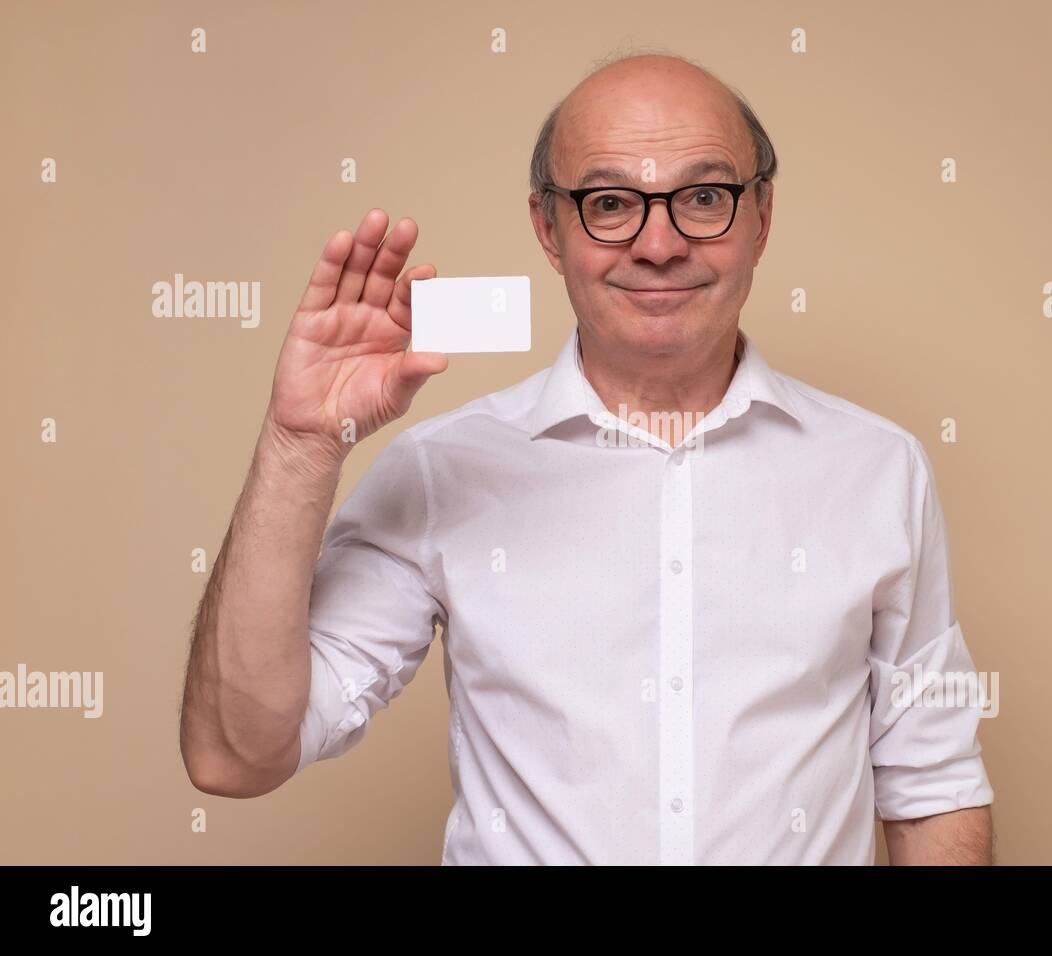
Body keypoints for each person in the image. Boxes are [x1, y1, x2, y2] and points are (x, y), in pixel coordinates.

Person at [180, 51, 995, 865]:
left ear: (761, 219)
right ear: (549, 229)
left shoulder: (880, 470)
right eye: (610, 203)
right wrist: (301, 443)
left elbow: (933, 788)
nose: (660, 243)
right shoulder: (445, 470)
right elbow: (235, 754)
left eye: (704, 197)